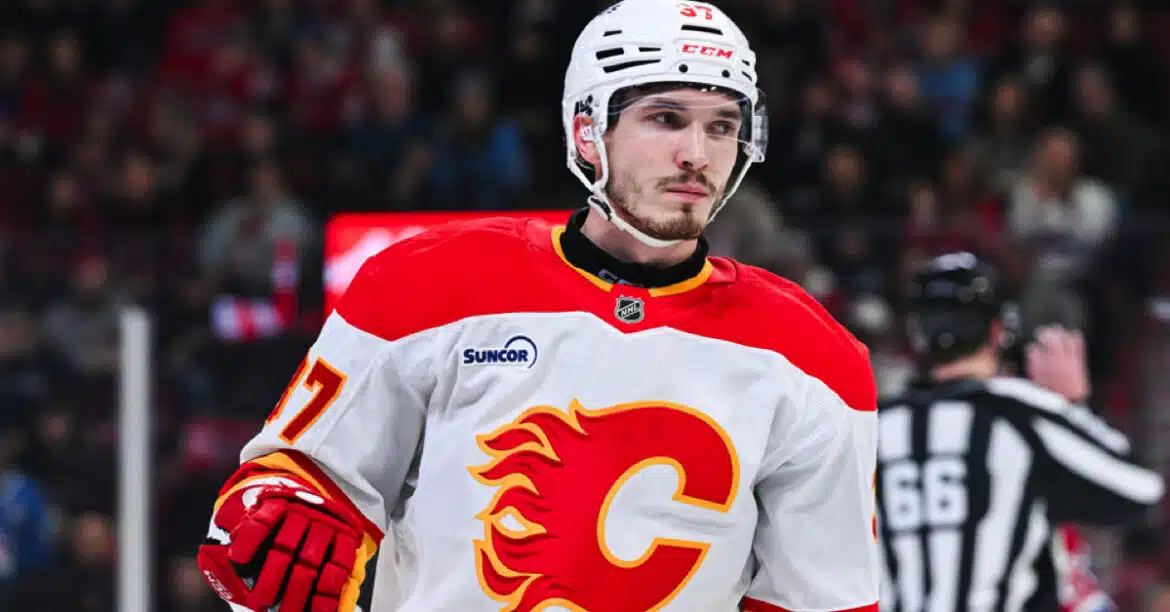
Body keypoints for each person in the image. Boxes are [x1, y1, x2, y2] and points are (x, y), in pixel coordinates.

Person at [196, 1, 880, 611]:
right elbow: (304, 481)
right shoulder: (424, 286)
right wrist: (277, 504)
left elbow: (818, 597)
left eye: (721, 125)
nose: (696, 154)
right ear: (587, 132)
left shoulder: (815, 357)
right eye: (665, 118)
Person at [875, 252, 1164, 611]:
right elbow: (1139, 488)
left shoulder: (874, 428)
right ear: (998, 331)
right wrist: (1072, 409)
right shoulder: (1019, 413)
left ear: (917, 334)